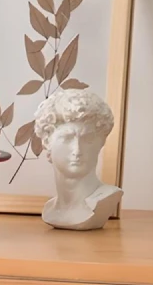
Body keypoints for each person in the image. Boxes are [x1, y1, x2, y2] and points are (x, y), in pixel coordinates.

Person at [34, 89, 122, 230]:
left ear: (101, 142)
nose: (77, 150)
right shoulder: (50, 209)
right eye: (67, 138)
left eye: (88, 139)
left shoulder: (104, 199)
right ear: (47, 142)